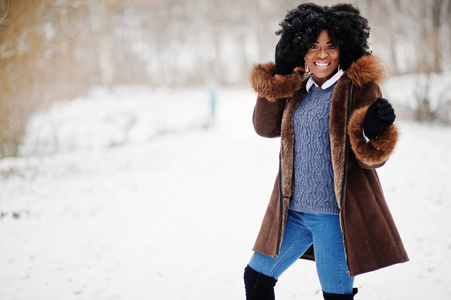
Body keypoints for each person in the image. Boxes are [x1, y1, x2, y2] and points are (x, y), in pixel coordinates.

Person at [244, 3, 408, 299]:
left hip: (332, 217)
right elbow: (264, 127)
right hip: (292, 214)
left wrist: (372, 130)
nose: (322, 54)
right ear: (301, 51)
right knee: (256, 278)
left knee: (336, 295)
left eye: (331, 46)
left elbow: (373, 158)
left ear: (343, 48)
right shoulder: (297, 88)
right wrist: (278, 76)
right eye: (313, 46)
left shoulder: (357, 89)